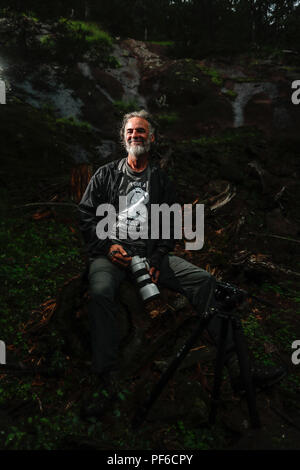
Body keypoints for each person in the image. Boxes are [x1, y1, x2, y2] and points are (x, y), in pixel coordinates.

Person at [78, 110, 285, 415]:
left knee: (204, 281)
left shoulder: (160, 180)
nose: (136, 136)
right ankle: (106, 377)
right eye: (130, 132)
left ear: (152, 138)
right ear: (123, 138)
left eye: (142, 132)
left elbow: (170, 226)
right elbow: (86, 216)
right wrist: (108, 246)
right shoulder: (106, 175)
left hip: (149, 254)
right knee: (100, 294)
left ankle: (240, 370)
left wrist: (157, 259)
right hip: (111, 254)